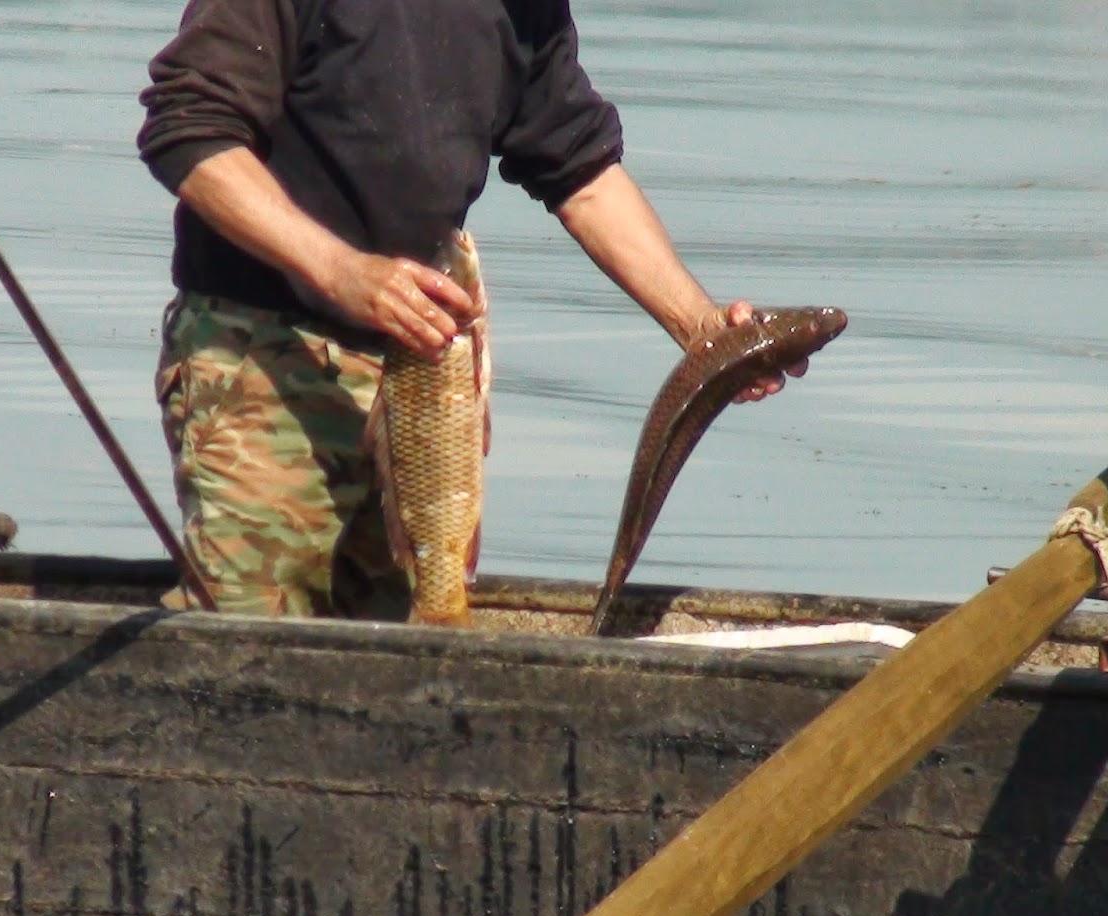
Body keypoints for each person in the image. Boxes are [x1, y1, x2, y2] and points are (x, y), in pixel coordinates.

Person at [137, 0, 805, 619]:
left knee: (406, 638)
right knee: (253, 644)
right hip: (264, 353)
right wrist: (341, 269)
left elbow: (581, 171)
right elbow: (189, 128)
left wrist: (700, 328)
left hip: (423, 370)